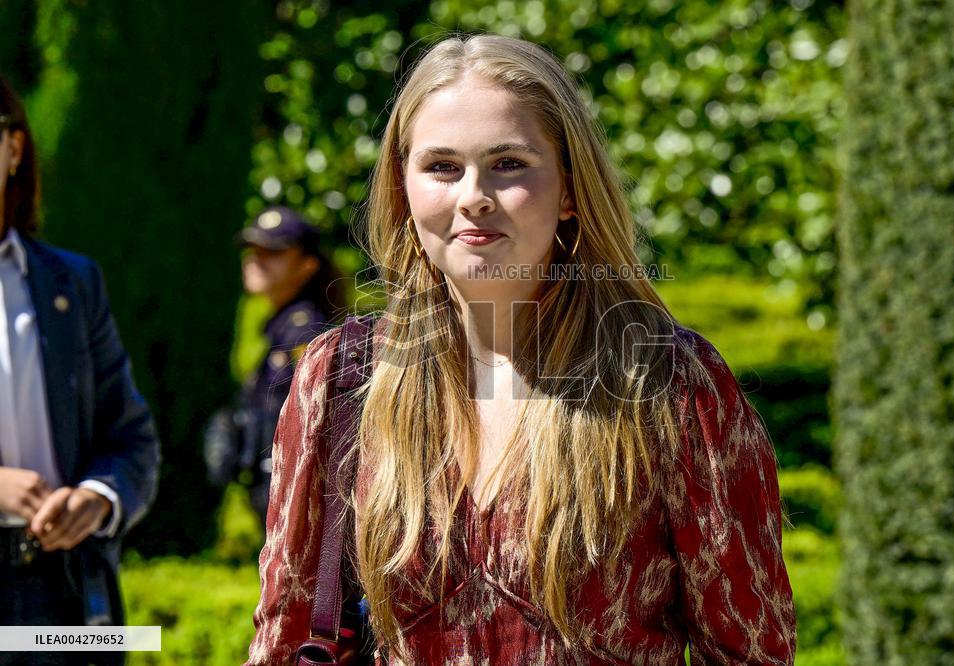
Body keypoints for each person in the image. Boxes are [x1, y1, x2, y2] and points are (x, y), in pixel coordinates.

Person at [247, 34, 796, 665]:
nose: (472, 194)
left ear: (568, 189)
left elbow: (750, 651)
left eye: (508, 163)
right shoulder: (339, 378)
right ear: (403, 190)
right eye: (441, 167)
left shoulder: (669, 382)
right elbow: (284, 638)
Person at [0, 74, 160, 666]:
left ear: (14, 149)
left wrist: (97, 497)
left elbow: (132, 440)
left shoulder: (73, 283)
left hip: (65, 595)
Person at [206, 206, 340, 526]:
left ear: (307, 265)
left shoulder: (306, 330)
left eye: (274, 252)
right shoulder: (279, 326)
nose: (256, 259)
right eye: (253, 250)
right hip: (273, 489)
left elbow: (320, 420)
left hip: (297, 496)